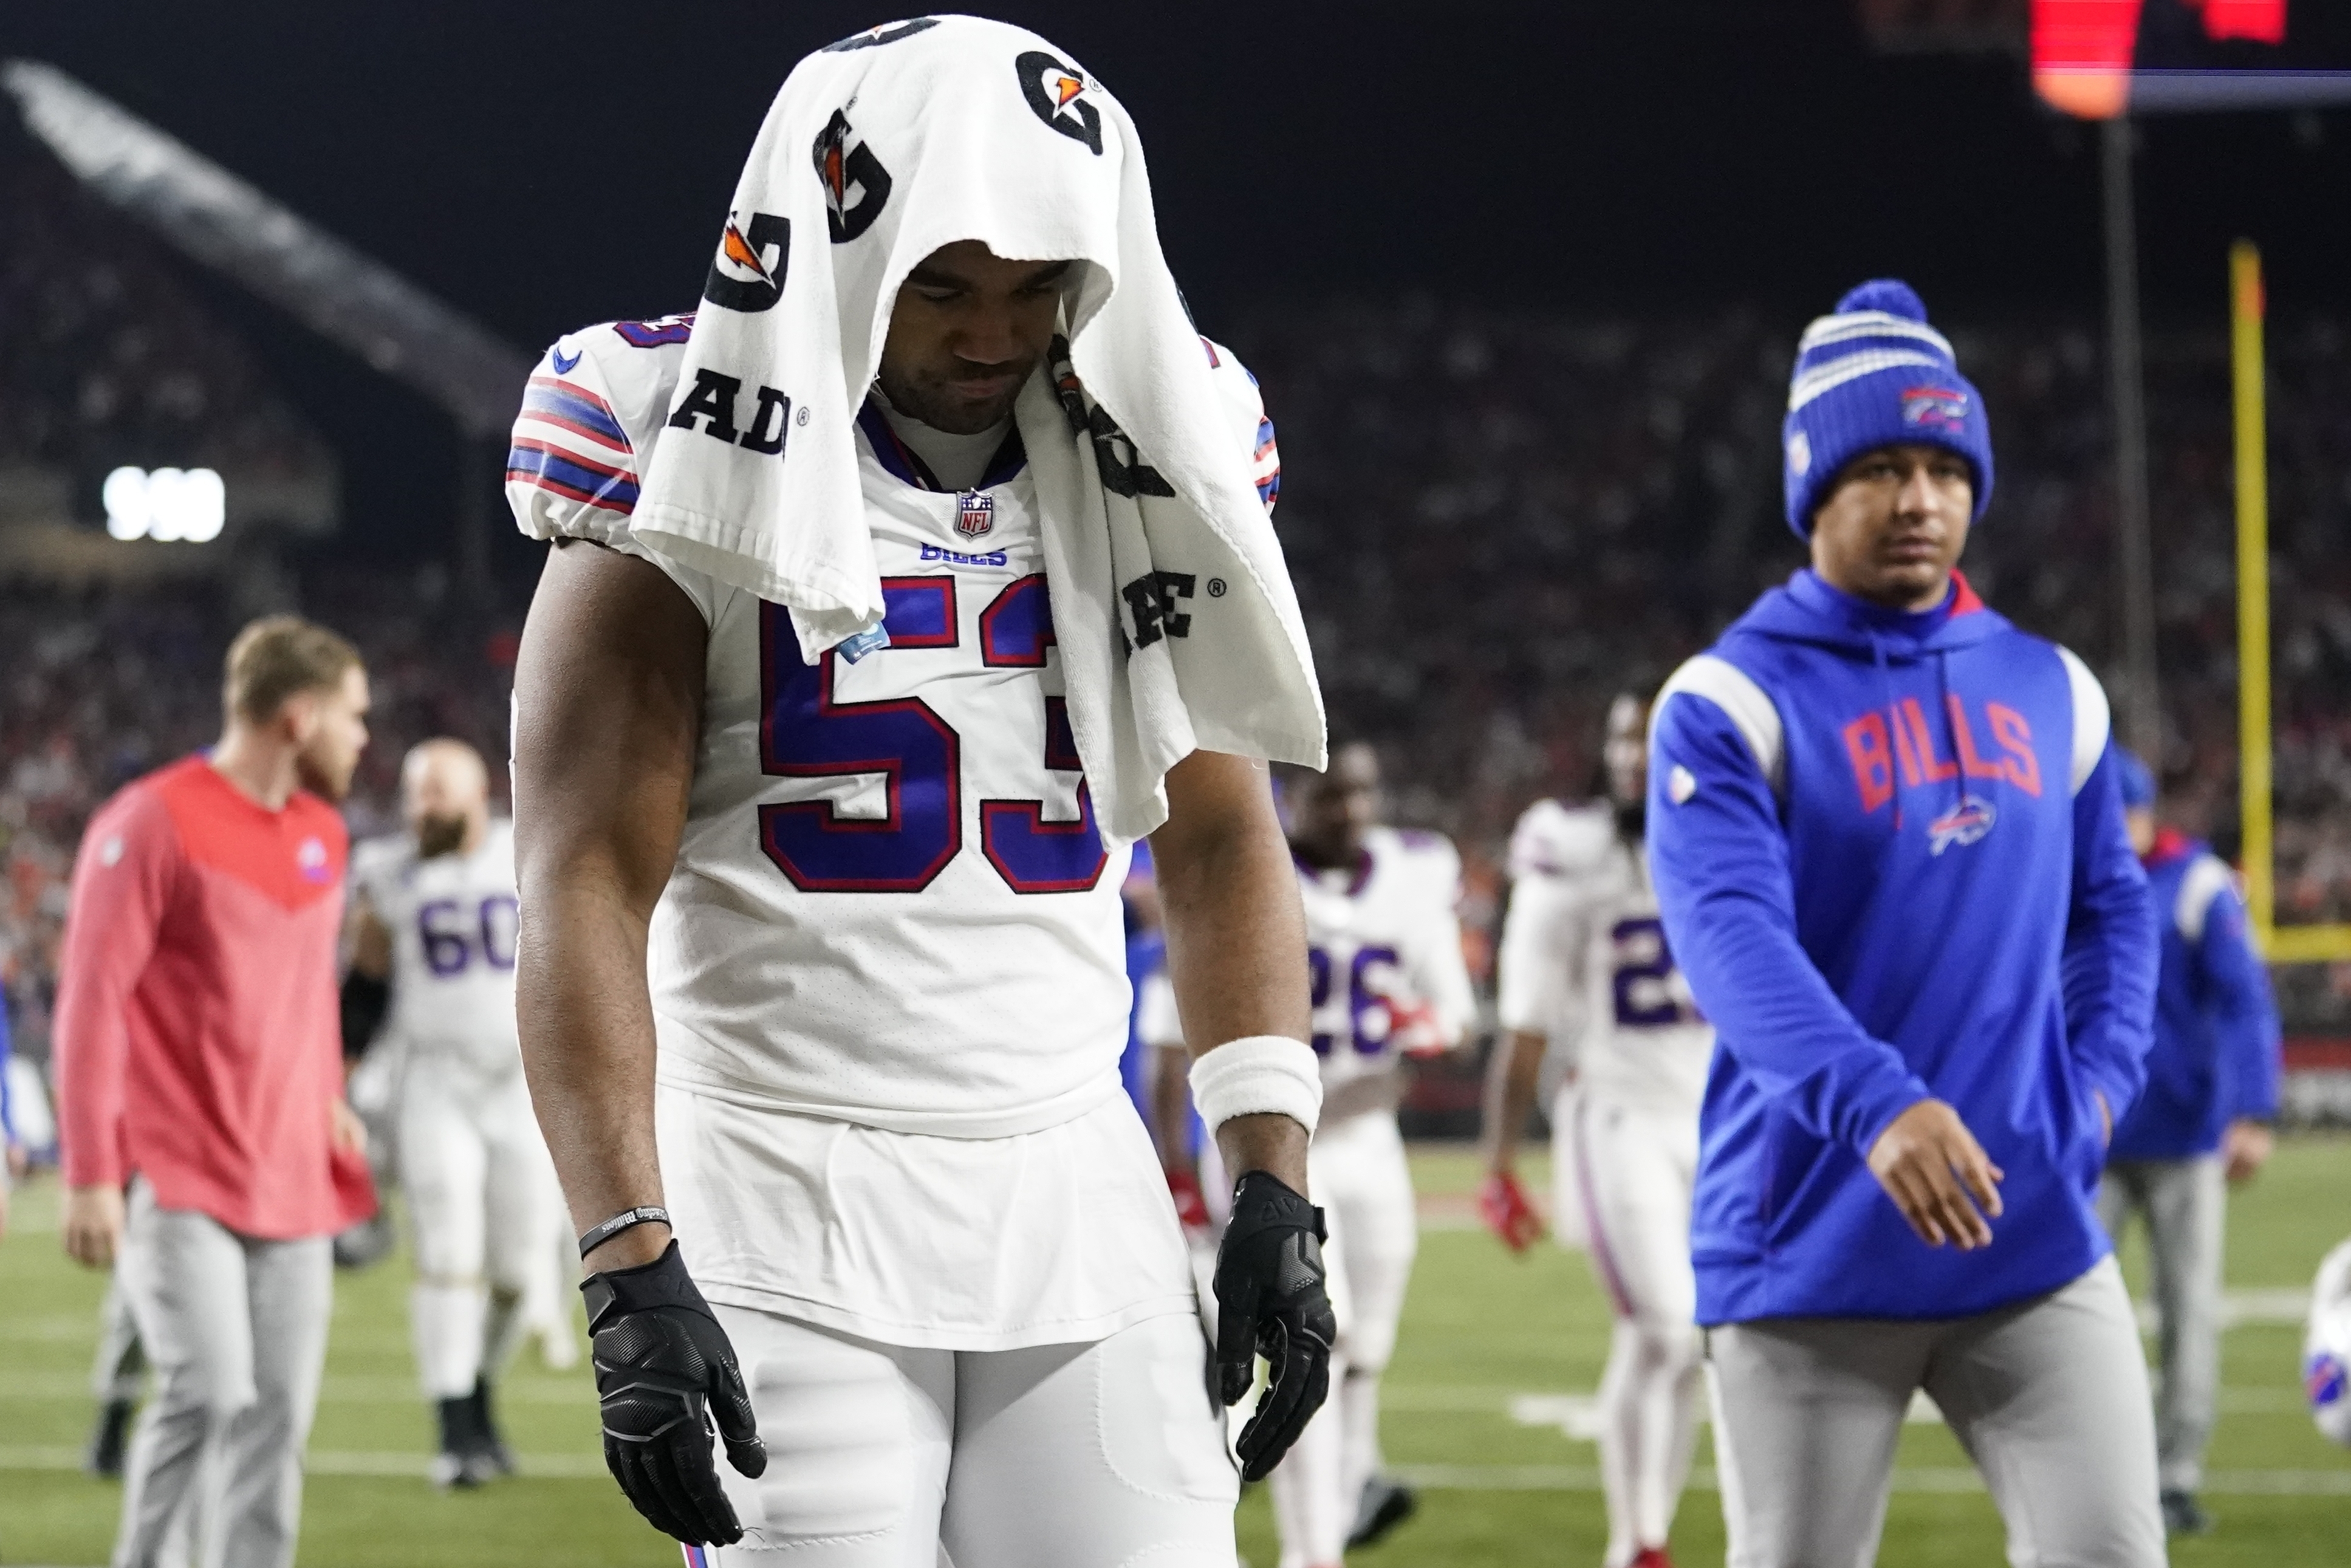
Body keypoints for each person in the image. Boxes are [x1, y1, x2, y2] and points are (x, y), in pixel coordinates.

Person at [505, 18, 1330, 1563]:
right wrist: (625, 1251)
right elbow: (578, 875)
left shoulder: (1164, 430)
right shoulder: (658, 423)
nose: (988, 333)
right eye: (941, 284)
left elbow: (1219, 835)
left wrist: (1271, 1173)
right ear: (832, 247)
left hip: (1073, 1180)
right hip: (774, 1180)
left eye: (1033, 288)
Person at [1645, 279, 2163, 1567]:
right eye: (1880, 466)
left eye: (1944, 464)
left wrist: (2094, 1094)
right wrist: (1880, 1105)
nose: (1921, 497)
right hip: (1811, 1249)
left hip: (2032, 1232)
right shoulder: (1726, 700)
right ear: (1814, 487)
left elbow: (2114, 915)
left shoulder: (2056, 688)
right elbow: (1733, 946)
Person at [53, 614, 377, 1568]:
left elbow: (309, 985)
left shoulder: (324, 833)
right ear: (299, 716)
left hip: (292, 1172)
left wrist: (327, 1091)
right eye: (354, 717)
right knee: (210, 1391)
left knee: (277, 1422)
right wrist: (89, 1174)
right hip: (176, 1165)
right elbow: (89, 1002)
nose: (364, 737)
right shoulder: (150, 820)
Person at [1146, 742, 1475, 1565]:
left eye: (1361, 793)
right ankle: (1311, 1548)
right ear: (1293, 802)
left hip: (1370, 1142)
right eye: (1331, 796)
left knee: (1367, 1349)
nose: (1349, 811)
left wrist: (1414, 1033)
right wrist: (1181, 1176)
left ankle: (1350, 1489)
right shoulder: (1244, 869)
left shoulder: (1411, 878)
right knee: (1311, 1337)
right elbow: (1164, 1046)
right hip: (1281, 1142)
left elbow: (1456, 1016)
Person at [1483, 690, 1714, 1568]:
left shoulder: (1733, 835)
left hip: (1715, 1116)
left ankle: (1650, 1530)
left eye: (1649, 738)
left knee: (1698, 1342)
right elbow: (1526, 1021)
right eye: (1621, 735)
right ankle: (1635, 1543)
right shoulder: (1570, 853)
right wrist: (1499, 1163)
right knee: (1661, 1327)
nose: (1631, 754)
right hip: (1617, 1113)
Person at [346, 738, 561, 1488]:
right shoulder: (388, 872)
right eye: (413, 793)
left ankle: (480, 1394)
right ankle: (452, 1431)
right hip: (433, 1085)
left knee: (514, 1271)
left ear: (479, 793)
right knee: (447, 1253)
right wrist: (335, 1085)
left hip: (522, 1087)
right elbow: (364, 990)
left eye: (435, 792)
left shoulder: (525, 850)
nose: (420, 808)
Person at [2099, 747, 2282, 1536]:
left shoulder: (2197, 884)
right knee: (2068, 1314)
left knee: (2187, 1312)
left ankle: (2171, 1477)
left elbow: (2244, 1001)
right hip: (2093, 1136)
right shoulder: (2070, 880)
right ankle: (2097, 1471)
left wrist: (2252, 1110)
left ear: (2141, 812)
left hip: (2179, 1134)